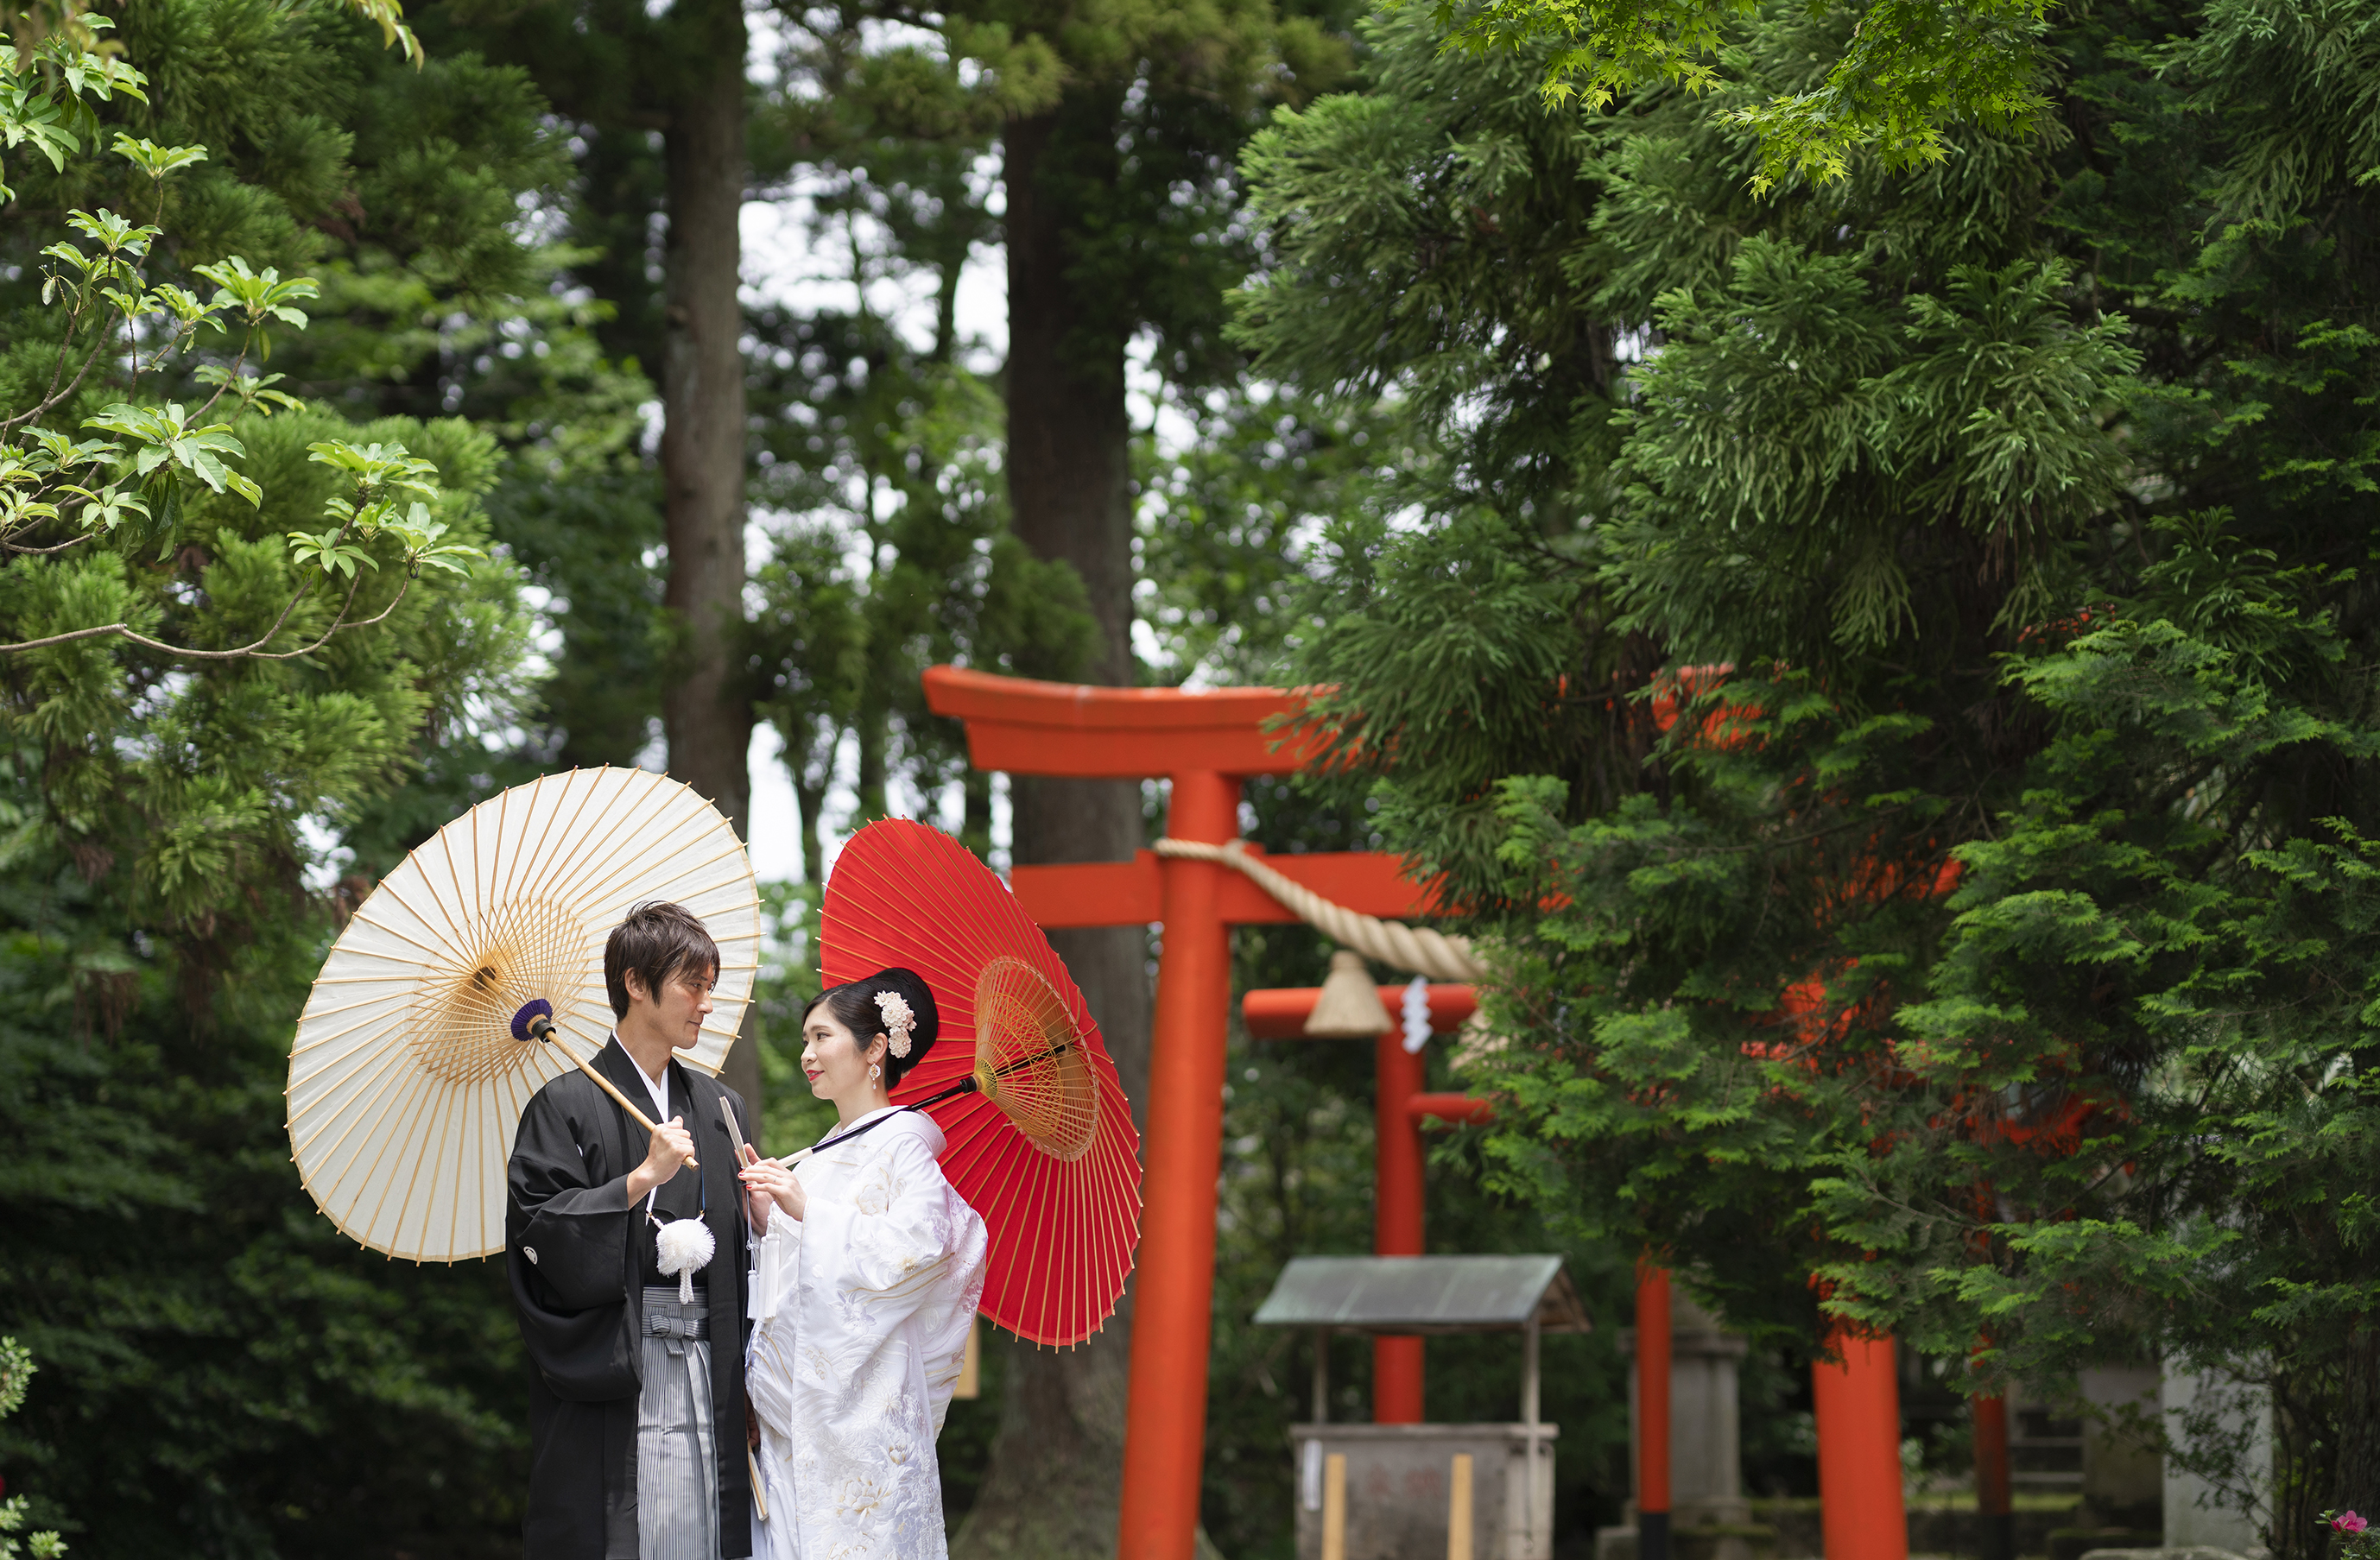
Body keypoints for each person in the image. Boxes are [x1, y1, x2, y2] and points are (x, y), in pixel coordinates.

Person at [506, 900, 755, 1560]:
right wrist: (636, 1181)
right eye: (692, 985)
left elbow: (747, 1260)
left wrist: (763, 1219)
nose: (706, 1002)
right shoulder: (564, 1105)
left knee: (707, 1533)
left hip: (713, 1366)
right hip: (622, 1368)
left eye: (711, 986)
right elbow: (540, 1232)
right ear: (637, 984)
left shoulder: (721, 1107)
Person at [737, 967, 989, 1560]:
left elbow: (925, 1247)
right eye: (805, 1039)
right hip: (795, 1416)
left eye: (822, 1036)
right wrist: (769, 1219)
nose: (807, 1053)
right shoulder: (825, 1154)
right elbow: (799, 1273)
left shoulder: (902, 1144)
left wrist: (808, 1211)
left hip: (862, 1414)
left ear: (875, 1047)